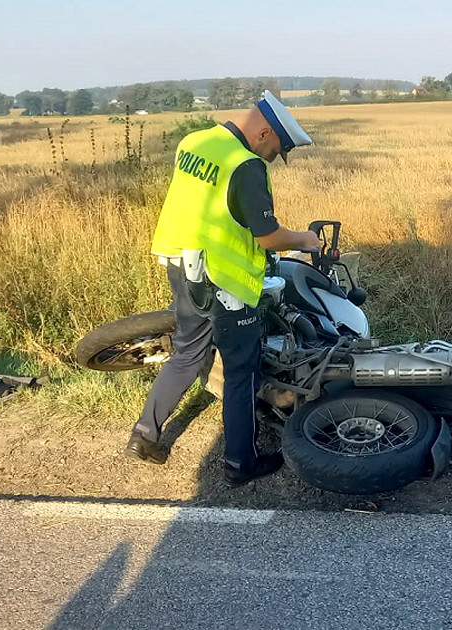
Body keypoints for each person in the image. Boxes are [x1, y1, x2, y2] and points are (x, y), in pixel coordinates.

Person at [126, 91, 322, 485]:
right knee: (241, 371)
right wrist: (306, 240)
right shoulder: (246, 165)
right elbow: (267, 237)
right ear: (265, 132)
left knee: (186, 354)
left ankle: (144, 435)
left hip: (182, 266)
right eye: (277, 149)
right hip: (225, 283)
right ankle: (240, 464)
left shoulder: (195, 141)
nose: (273, 158)